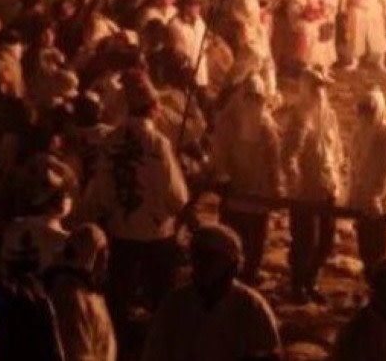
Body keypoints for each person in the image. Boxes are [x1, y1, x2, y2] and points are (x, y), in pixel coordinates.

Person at [80, 77, 189, 338]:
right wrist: (174, 209)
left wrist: (107, 211)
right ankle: (161, 338)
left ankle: (115, 337)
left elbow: (102, 189)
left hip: (121, 229)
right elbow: (175, 194)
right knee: (160, 292)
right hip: (157, 232)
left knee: (119, 291)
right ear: (153, 108)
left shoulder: (111, 140)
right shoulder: (158, 142)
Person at [142, 225, 282, 361]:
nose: (204, 265)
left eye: (211, 258)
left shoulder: (251, 306)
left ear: (232, 265)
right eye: (199, 257)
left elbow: (268, 354)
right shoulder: (174, 305)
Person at [212, 77, 282, 285]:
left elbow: (274, 159)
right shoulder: (228, 123)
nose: (253, 103)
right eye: (249, 97)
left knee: (255, 241)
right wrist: (224, 177)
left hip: (258, 196)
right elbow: (219, 153)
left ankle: (250, 273)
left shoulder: (267, 127)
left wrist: (275, 185)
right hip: (235, 193)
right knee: (231, 238)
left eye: (257, 98)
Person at [283, 70, 345, 304]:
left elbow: (336, 148)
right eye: (315, 86)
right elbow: (289, 154)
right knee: (305, 242)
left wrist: (337, 176)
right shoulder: (299, 118)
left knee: (326, 241)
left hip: (327, 188)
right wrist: (295, 182)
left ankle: (311, 280)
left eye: (322, 87)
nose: (320, 91)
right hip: (306, 192)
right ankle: (298, 284)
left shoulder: (329, 116)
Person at [347, 86, 386, 275]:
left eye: (369, 109)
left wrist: (377, 197)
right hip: (364, 202)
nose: (366, 114)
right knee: (366, 252)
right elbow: (353, 168)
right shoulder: (358, 134)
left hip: (382, 204)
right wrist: (353, 196)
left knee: (382, 254)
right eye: (363, 109)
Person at [46, 224, 118, 361]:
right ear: (91, 255)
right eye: (103, 253)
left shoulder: (87, 292)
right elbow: (77, 350)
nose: (106, 260)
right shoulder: (72, 297)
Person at [226, 0, 278, 97]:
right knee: (249, 62)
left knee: (267, 61)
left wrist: (265, 8)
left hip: (257, 30)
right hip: (245, 31)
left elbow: (254, 10)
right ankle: (230, 92)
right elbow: (246, 8)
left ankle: (270, 94)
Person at [288, 0, 340, 73]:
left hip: (323, 19)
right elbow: (294, 7)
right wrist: (305, 12)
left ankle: (323, 65)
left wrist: (322, 13)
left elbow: (332, 7)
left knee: (323, 30)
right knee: (308, 29)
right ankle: (308, 64)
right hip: (306, 20)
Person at [168, 0, 210, 91]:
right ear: (186, 7)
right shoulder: (175, 25)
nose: (198, 9)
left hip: (201, 72)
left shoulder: (200, 22)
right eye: (195, 5)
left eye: (198, 5)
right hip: (186, 75)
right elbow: (178, 51)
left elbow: (205, 41)